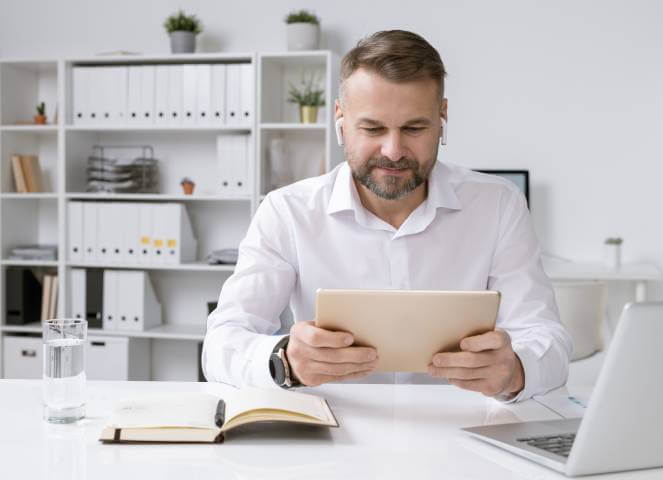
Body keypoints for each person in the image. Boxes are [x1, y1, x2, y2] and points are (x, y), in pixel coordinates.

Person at [203, 30, 572, 402]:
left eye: (414, 128)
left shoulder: (498, 205)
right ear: (340, 120)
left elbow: (547, 339)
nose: (393, 151)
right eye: (372, 128)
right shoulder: (287, 212)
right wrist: (284, 361)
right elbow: (221, 342)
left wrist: (515, 370)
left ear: (442, 117)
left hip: (463, 437)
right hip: (330, 440)